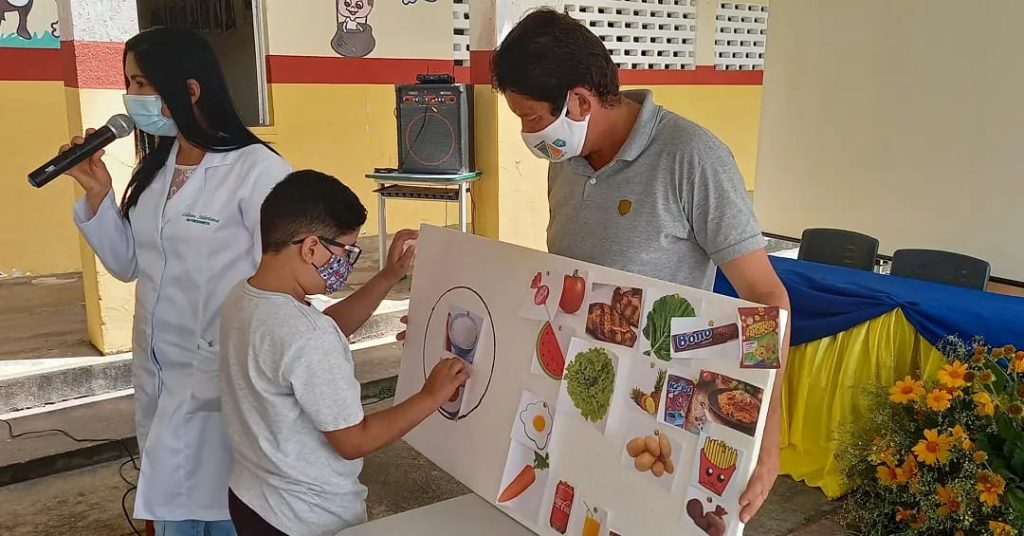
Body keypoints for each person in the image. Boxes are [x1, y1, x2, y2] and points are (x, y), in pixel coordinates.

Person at [490, 9, 792, 523]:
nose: (528, 133)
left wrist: (765, 436)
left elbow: (766, 298)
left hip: (661, 409)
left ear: (580, 101)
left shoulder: (692, 157)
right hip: (579, 400)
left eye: (532, 118)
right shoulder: (566, 161)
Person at [61, 27, 291, 534]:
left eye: (142, 84)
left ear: (190, 89)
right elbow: (128, 264)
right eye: (129, 82)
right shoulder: (157, 168)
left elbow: (287, 279)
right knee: (172, 510)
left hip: (221, 378)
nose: (131, 96)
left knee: (227, 511)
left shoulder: (258, 171)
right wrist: (98, 193)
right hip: (158, 376)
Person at [219, 170, 470, 536]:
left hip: (252, 499)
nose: (347, 265)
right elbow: (355, 440)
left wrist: (388, 276)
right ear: (310, 248)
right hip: (306, 519)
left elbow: (321, 330)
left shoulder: (245, 297)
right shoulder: (307, 335)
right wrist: (431, 395)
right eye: (345, 252)